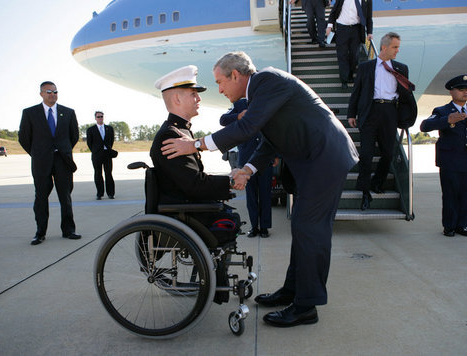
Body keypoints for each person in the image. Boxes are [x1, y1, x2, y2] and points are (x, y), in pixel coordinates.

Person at [161, 51, 359, 328]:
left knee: (311, 231)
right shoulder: (261, 94)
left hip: (324, 160)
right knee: (303, 229)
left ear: (236, 75)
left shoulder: (268, 80)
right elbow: (269, 142)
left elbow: (247, 128)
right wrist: (248, 170)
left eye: (220, 81)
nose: (219, 89)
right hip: (315, 162)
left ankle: (306, 306)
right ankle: (293, 291)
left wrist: (194, 145)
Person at [149, 65, 247, 206]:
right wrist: (230, 181)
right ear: (177, 99)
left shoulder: (181, 130)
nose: (199, 99)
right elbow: (193, 185)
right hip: (186, 210)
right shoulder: (170, 135)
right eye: (193, 94)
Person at [347, 32, 417, 210]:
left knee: (388, 154)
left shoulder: (401, 68)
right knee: (367, 154)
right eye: (395, 47)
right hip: (370, 112)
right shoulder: (366, 67)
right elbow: (357, 92)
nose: (397, 51)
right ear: (384, 47)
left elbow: (406, 95)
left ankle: (377, 183)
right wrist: (351, 114)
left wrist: (405, 116)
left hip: (389, 112)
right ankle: (364, 192)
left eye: (398, 47)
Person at [420, 75, 467, 237]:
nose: (465, 93)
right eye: (461, 90)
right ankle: (449, 226)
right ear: (452, 92)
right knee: (450, 195)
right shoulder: (442, 111)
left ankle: (462, 225)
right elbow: (425, 126)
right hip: (450, 161)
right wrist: (447, 120)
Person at [18, 81, 81, 245]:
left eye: (55, 92)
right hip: (41, 162)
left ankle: (69, 230)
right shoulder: (30, 113)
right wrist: (37, 153)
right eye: (49, 92)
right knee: (40, 197)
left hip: (63, 160)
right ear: (41, 94)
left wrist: (63, 150)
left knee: (65, 196)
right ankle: (40, 232)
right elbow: (24, 138)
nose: (52, 94)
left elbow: (73, 135)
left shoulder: (68, 112)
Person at [220, 98, 273, 238]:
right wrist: (239, 115)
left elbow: (275, 128)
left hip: (265, 157)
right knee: (251, 195)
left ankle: (265, 227)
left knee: (265, 194)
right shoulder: (239, 104)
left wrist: (276, 155)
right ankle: (254, 226)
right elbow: (223, 120)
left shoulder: (266, 101)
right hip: (246, 158)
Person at [326, 0, 373, 89]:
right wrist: (329, 26)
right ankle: (344, 80)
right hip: (342, 29)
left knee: (354, 56)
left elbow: (369, 17)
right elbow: (334, 11)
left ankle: (350, 75)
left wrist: (370, 32)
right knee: (342, 55)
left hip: (356, 29)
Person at [86, 111, 116, 200]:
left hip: (107, 154)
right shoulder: (91, 130)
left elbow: (111, 140)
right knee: (98, 174)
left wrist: (107, 148)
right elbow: (89, 143)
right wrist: (96, 150)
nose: (100, 118)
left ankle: (111, 193)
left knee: (108, 173)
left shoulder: (109, 128)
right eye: (98, 117)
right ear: (95, 118)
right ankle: (99, 193)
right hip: (97, 154)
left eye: (101, 116)